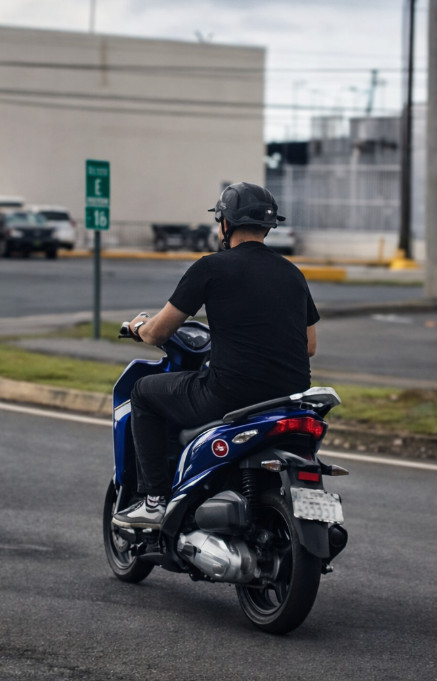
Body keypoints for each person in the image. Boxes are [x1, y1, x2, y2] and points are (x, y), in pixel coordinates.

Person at [112, 182, 320, 530]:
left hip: (229, 394)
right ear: (268, 226)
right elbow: (310, 345)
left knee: (144, 393)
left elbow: (160, 332)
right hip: (289, 398)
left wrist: (139, 328)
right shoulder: (292, 273)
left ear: (226, 223)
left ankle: (154, 500)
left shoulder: (211, 267)